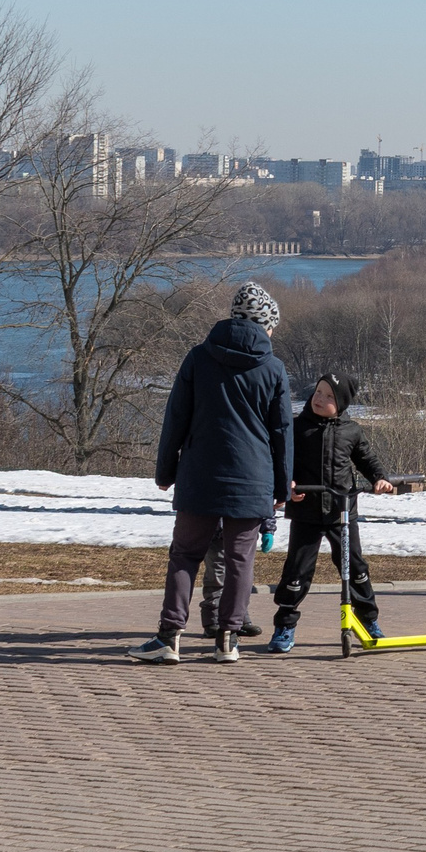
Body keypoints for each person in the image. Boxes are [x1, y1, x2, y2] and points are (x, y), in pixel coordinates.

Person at [130, 283, 293, 665]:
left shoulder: (198, 357)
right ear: (265, 323)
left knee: (185, 555)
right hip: (252, 479)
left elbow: (176, 418)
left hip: (199, 474)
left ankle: (169, 637)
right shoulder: (272, 368)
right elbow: (282, 433)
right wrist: (282, 487)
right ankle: (227, 641)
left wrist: (165, 470)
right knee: (240, 561)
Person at [268, 373, 396, 653]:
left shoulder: (351, 430)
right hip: (306, 510)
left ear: (341, 404)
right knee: (297, 571)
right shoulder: (297, 427)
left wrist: (379, 478)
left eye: (328, 397)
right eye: (318, 392)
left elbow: (366, 459)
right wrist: (287, 484)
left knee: (355, 568)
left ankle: (368, 620)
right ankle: (285, 625)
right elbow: (281, 459)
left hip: (342, 513)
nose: (320, 399)